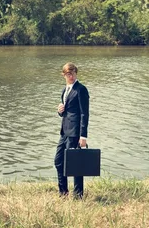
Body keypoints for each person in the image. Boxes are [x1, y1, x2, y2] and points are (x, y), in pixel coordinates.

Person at [54, 62, 89, 198]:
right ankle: (63, 193)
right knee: (58, 161)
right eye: (68, 74)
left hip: (75, 133)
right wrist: (60, 111)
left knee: (75, 164)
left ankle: (78, 195)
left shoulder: (81, 90)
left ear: (76, 73)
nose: (71, 76)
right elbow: (66, 112)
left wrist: (83, 136)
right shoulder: (65, 90)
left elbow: (84, 114)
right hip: (64, 131)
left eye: (73, 73)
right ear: (64, 75)